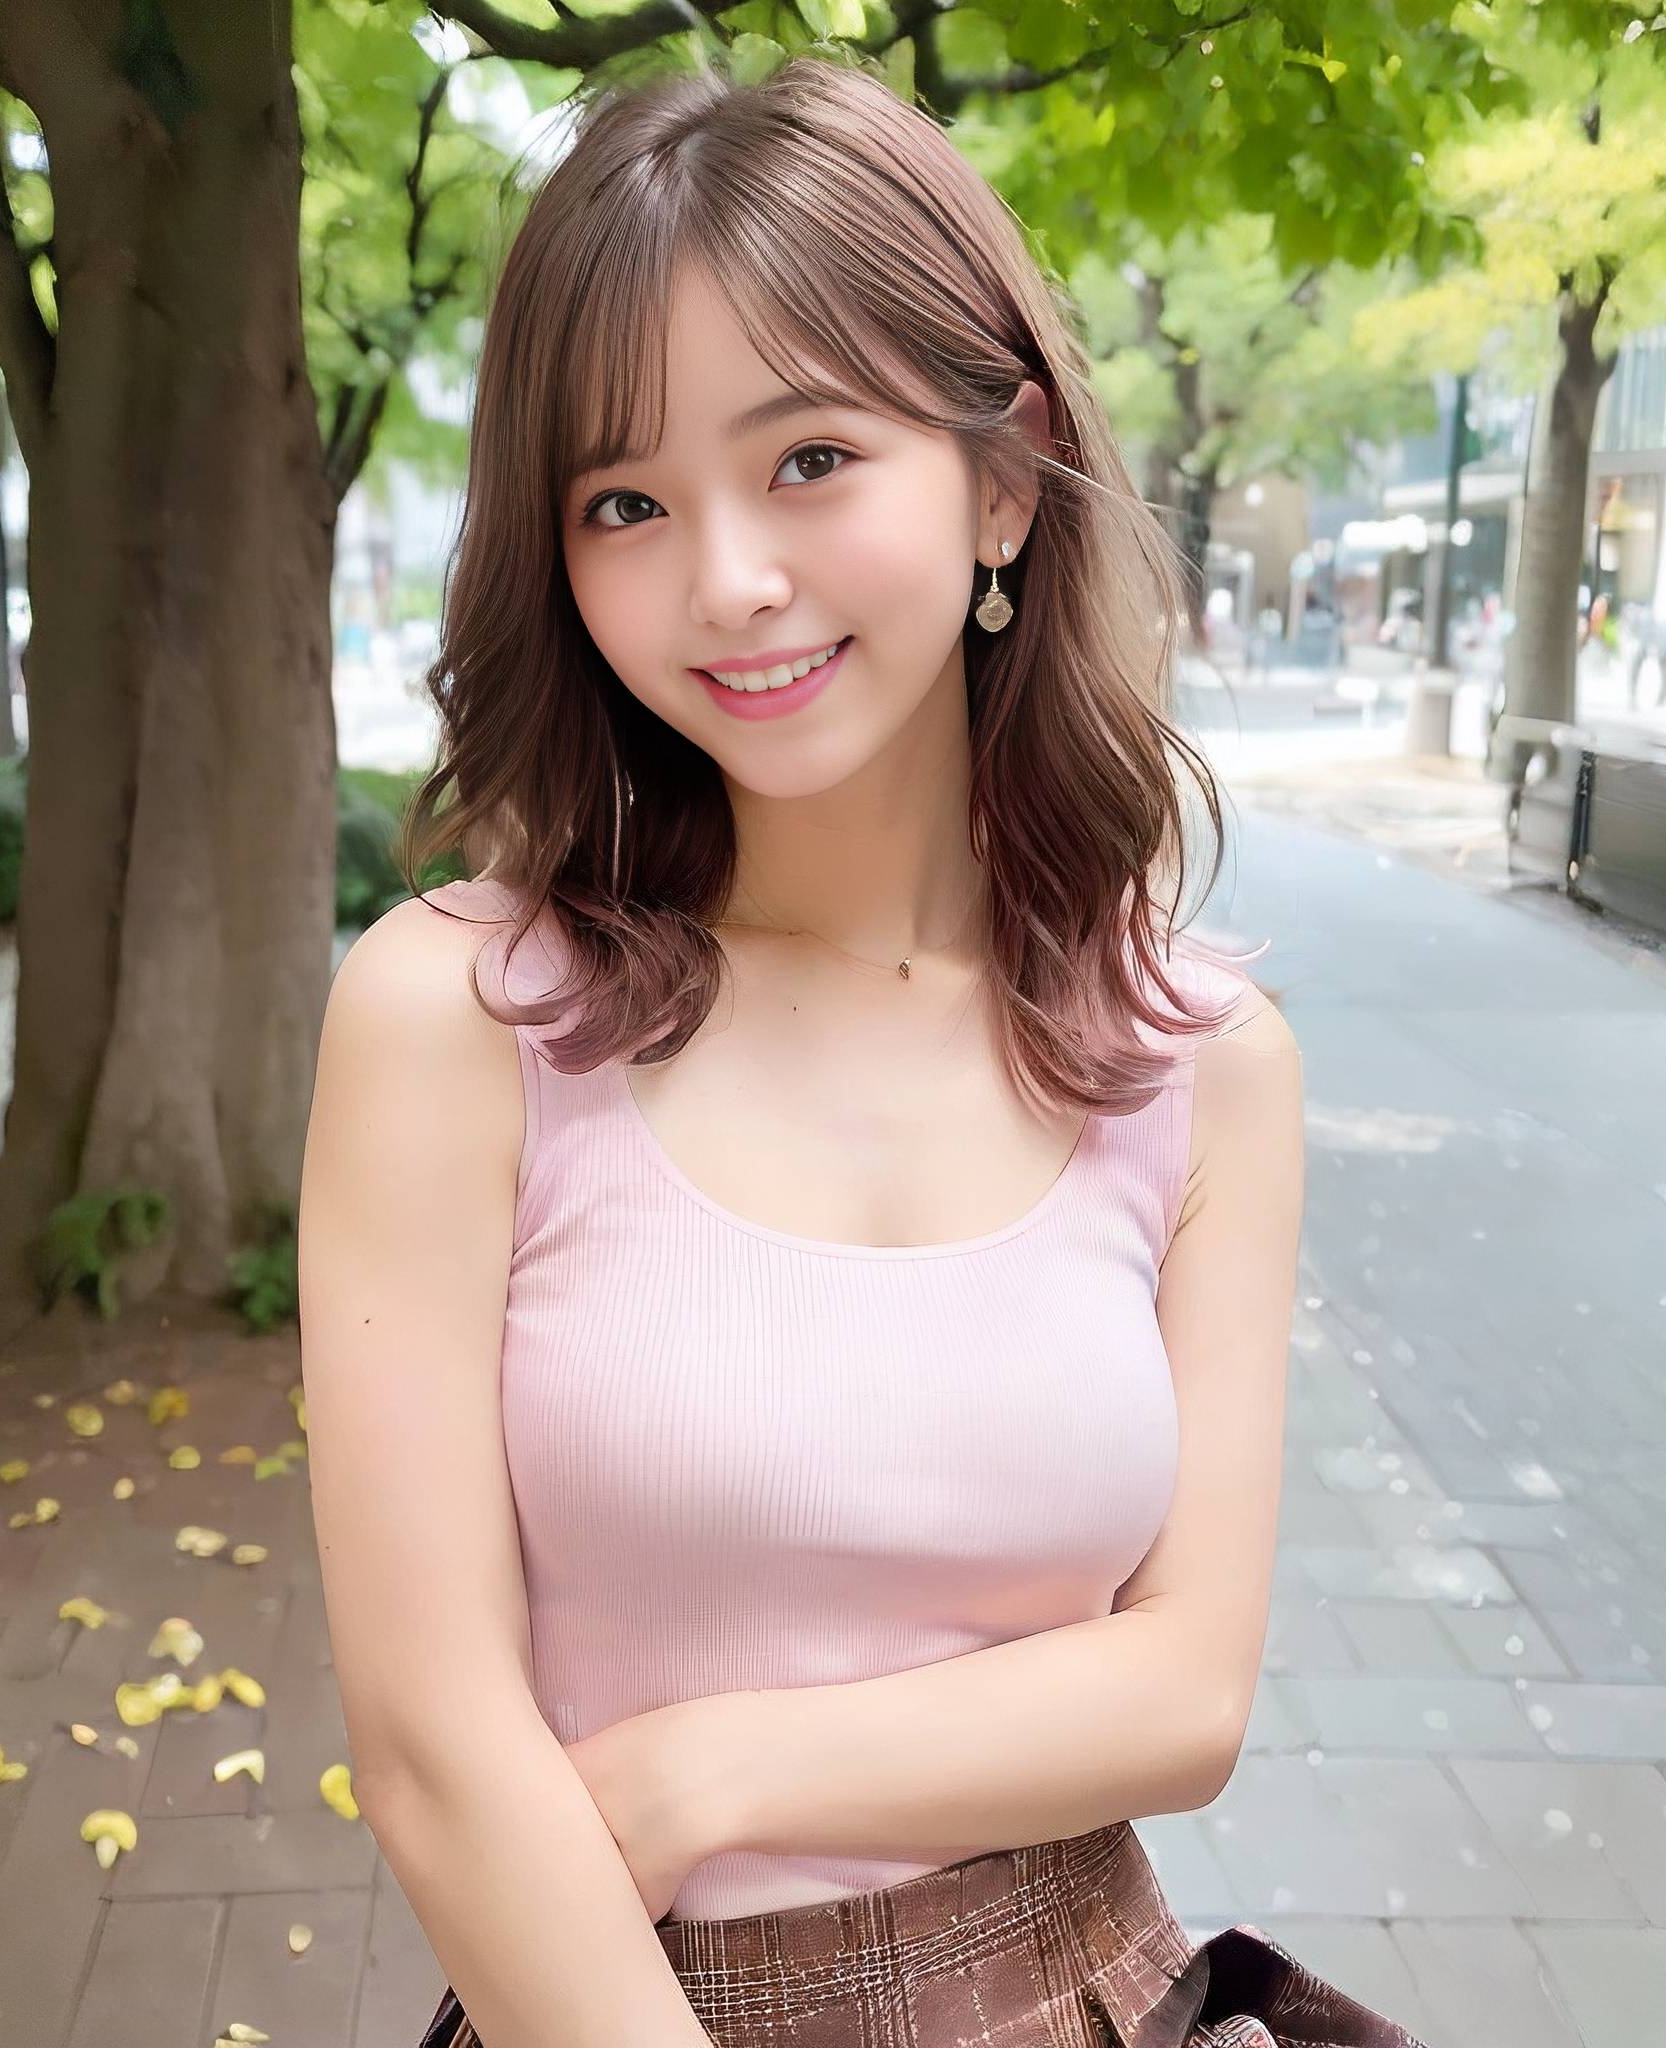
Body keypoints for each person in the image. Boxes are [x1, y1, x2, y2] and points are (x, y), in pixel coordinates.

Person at [296, 56, 1304, 2048]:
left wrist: (708, 1776)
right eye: (625, 502)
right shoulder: (459, 1023)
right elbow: (433, 1750)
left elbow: (1186, 1688)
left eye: (809, 458)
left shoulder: (1198, 1056)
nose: (725, 578)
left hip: (1089, 1990)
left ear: (1000, 476)